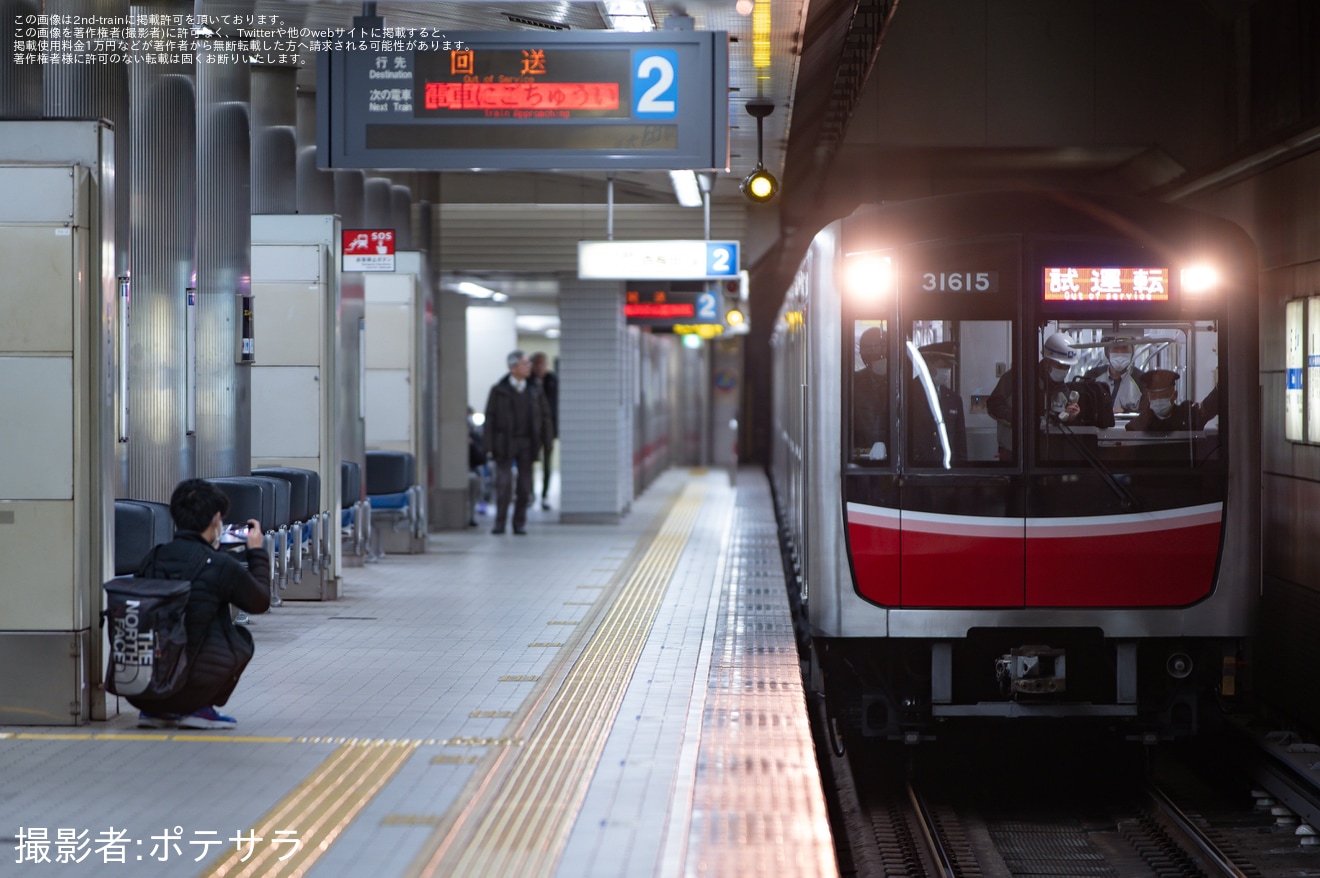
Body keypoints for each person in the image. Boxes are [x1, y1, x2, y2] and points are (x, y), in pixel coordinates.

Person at [133, 478, 271, 730]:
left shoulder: (153, 558)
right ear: (216, 519)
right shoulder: (219, 565)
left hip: (143, 686)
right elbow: (259, 601)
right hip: (194, 685)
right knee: (240, 637)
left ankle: (156, 709)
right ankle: (198, 707)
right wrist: (256, 552)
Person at [987, 331, 1111, 457]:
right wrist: (1024, 419)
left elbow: (1060, 419)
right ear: (1047, 361)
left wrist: (1071, 416)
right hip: (1015, 456)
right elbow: (993, 406)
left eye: (1067, 367)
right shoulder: (1017, 378)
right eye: (1060, 365)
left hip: (1046, 457)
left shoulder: (1062, 388)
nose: (1063, 370)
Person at [483, 350, 551, 535]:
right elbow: (490, 418)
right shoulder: (499, 390)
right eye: (524, 364)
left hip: (527, 442)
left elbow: (544, 416)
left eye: (528, 364)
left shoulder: (534, 389)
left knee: (524, 486)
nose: (528, 367)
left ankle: (519, 522)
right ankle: (500, 522)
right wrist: (488, 446)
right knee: (503, 484)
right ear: (512, 368)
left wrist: (547, 441)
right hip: (504, 443)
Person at [908, 341, 967, 466]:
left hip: (946, 471)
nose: (948, 370)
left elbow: (960, 442)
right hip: (917, 469)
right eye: (944, 365)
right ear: (928, 364)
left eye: (950, 367)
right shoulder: (908, 394)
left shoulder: (953, 399)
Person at [852, 327, 890, 460]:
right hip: (861, 460)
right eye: (876, 356)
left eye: (885, 355)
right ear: (865, 358)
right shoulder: (853, 384)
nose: (882, 359)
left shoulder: (902, 383)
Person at [1126, 369, 1202, 432]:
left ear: (1175, 395)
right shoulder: (1140, 424)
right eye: (1153, 396)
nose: (1158, 399)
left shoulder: (1187, 416)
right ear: (1148, 397)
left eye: (1163, 395)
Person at [1084, 336, 1144, 414]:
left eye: (1125, 348)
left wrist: (1125, 411)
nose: (1120, 352)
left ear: (1132, 352)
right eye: (1115, 348)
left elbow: (1146, 412)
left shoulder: (1141, 380)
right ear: (1107, 352)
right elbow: (1083, 407)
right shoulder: (1092, 376)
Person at [529, 352, 559, 510]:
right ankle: (531, 494)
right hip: (531, 430)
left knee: (547, 463)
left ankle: (545, 495)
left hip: (548, 429)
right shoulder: (528, 382)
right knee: (530, 463)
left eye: (543, 364)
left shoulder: (553, 381)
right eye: (537, 364)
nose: (540, 367)